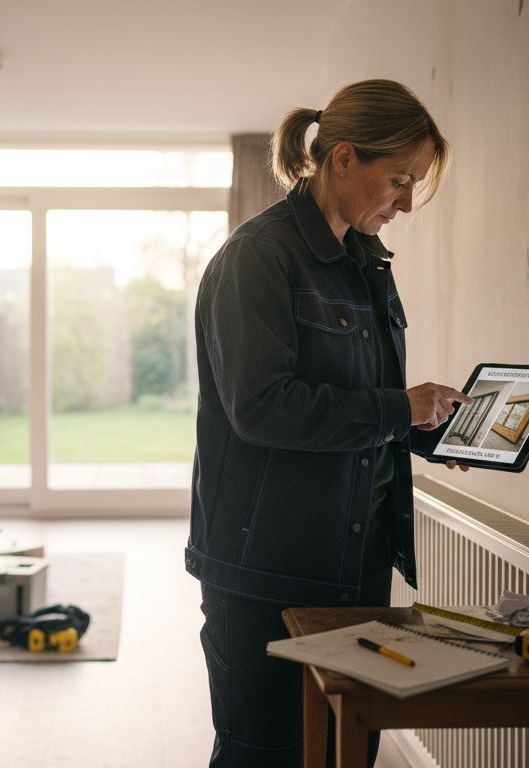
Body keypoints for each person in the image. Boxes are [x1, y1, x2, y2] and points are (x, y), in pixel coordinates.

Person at [185, 78, 471, 768]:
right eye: (398, 180)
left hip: (355, 562)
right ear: (343, 159)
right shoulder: (259, 257)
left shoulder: (366, 264)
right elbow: (262, 408)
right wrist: (399, 408)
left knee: (349, 750)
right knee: (267, 754)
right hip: (265, 571)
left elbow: (354, 402)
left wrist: (427, 428)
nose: (405, 203)